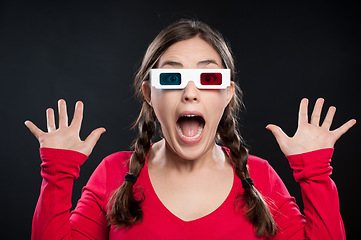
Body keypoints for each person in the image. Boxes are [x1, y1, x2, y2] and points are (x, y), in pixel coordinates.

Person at [25, 19, 356, 240]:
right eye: (171, 77)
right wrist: (57, 173)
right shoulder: (113, 174)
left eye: (209, 77)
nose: (190, 91)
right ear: (148, 93)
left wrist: (314, 174)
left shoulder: (260, 177)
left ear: (226, 94)